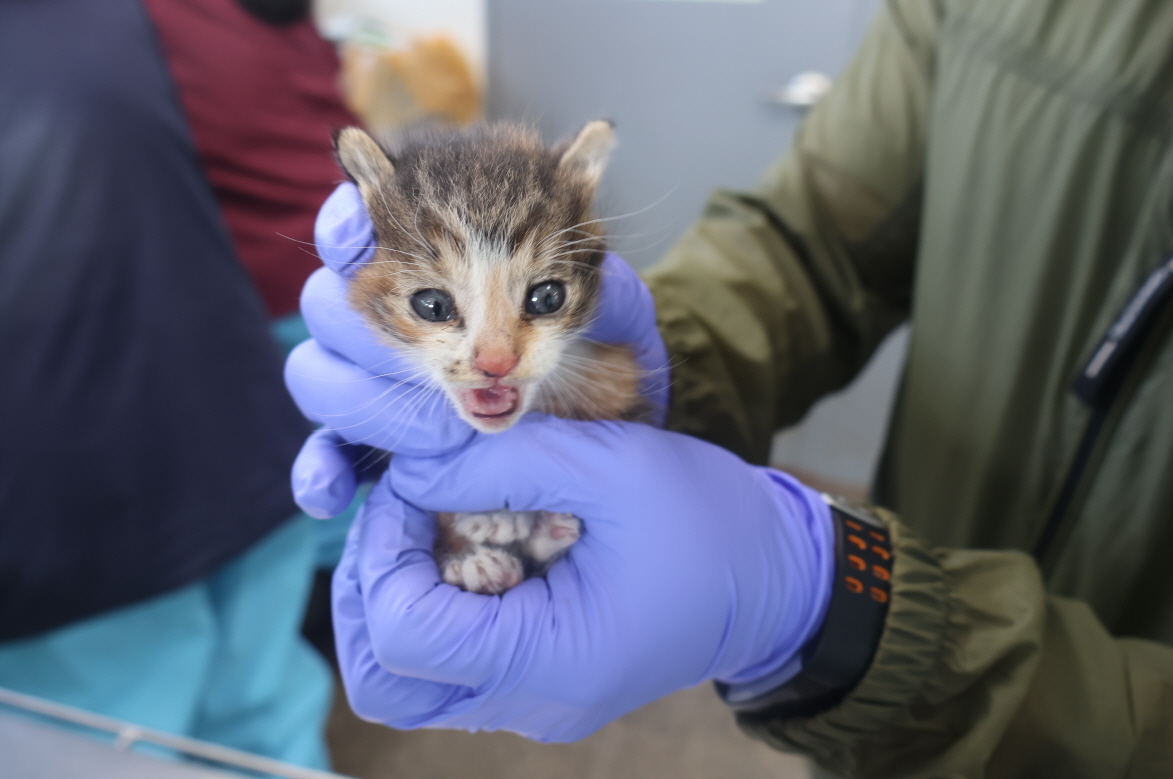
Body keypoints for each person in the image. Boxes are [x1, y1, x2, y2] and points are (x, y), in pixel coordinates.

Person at [284, 0, 1173, 775]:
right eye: (438, 305)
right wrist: (673, 365)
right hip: (882, 720)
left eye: (539, 299)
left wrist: (845, 617)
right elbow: (811, 236)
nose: (492, 358)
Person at [0, 0, 353, 767]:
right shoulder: (109, 22)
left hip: (72, 505)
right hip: (231, 424)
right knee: (264, 726)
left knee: (110, 744)